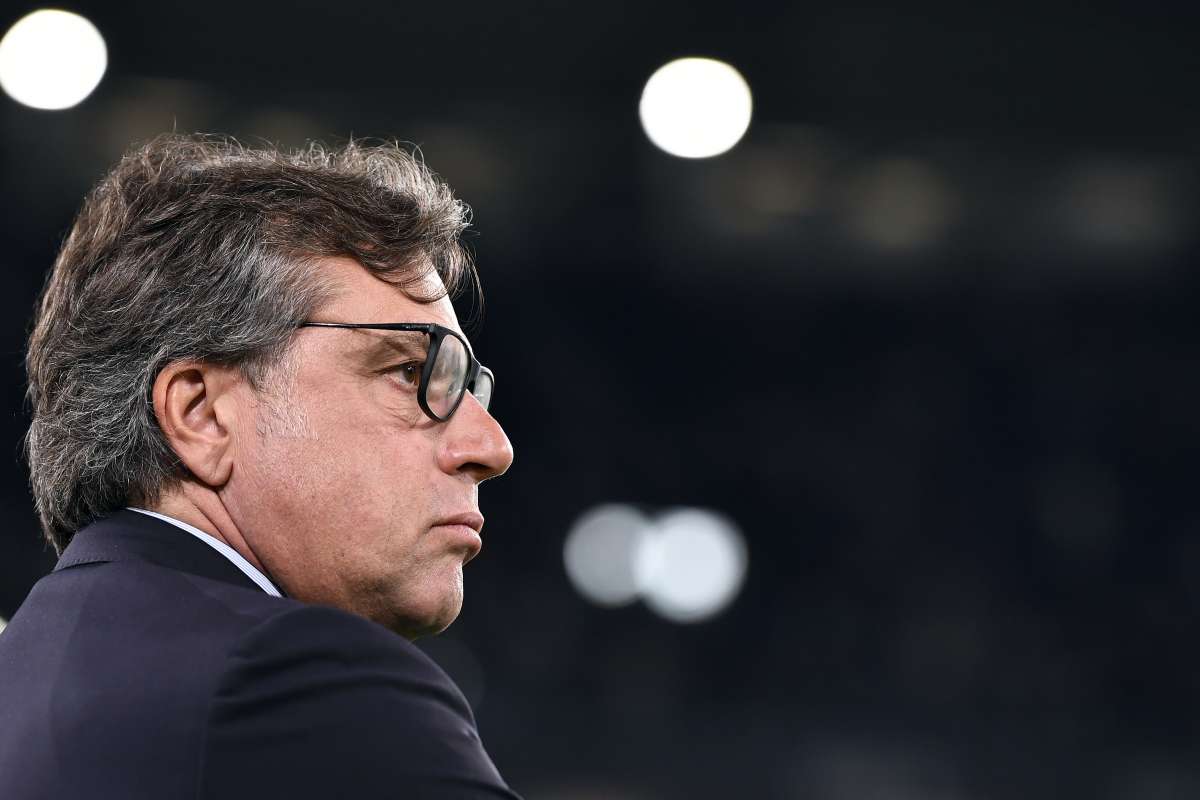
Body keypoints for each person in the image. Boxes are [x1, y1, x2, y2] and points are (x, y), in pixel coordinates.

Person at [0, 134, 520, 798]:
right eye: (407, 372)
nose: (491, 447)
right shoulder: (300, 683)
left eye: (469, 388)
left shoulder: (20, 678)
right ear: (201, 415)